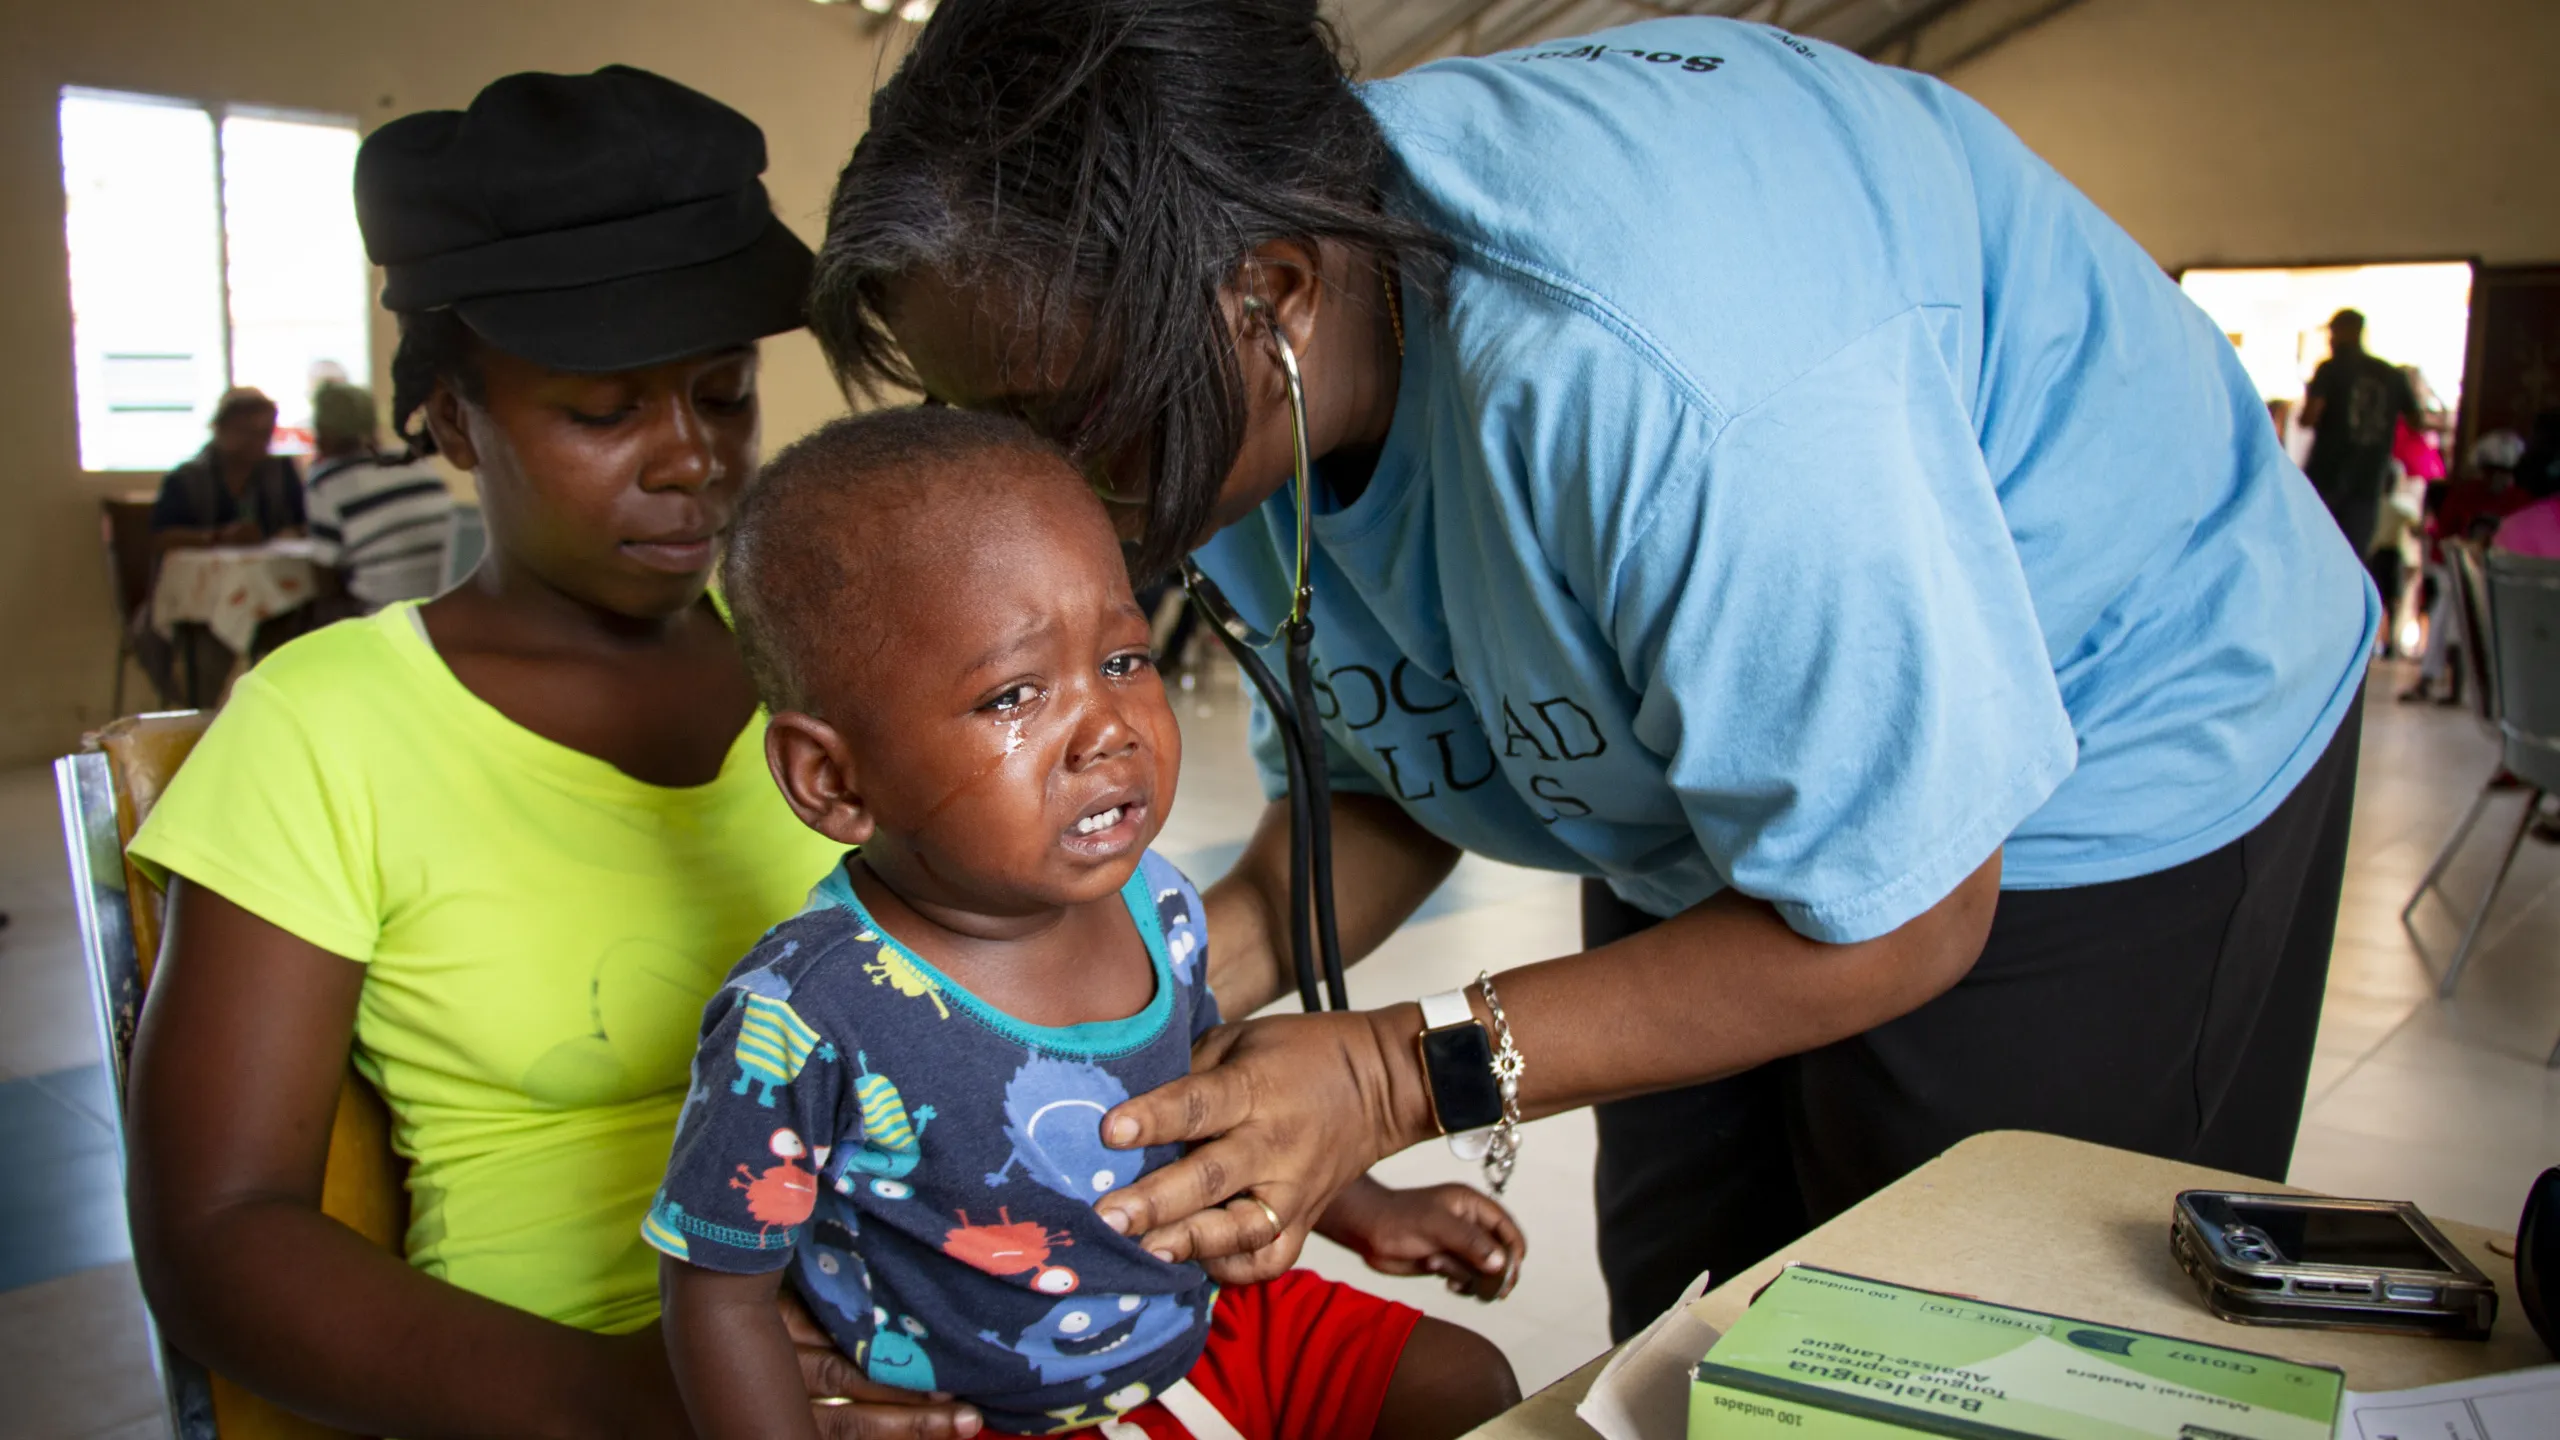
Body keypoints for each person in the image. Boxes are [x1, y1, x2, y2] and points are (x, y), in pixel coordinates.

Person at [811, 1, 2376, 1341]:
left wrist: (1384, 1075)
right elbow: (1392, 769)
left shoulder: (1665, 383)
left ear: (1275, 293)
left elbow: (1900, 913)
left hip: (2113, 723)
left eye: (1061, 419)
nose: (1035, 495)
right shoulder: (1207, 374)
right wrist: (1107, 1005)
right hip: (1710, 748)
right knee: (1701, 1303)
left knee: (1953, 1328)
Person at [122, 67, 982, 1439]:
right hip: (576, 1383)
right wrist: (667, 1404)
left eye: (722, 395)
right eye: (604, 413)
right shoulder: (326, 723)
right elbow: (221, 1232)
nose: (691, 458)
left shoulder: (826, 662)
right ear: (455, 421)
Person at [655, 406, 1520, 1440]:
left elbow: (1213, 1103)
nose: (1107, 729)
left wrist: (1367, 1205)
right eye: (1015, 694)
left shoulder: (1155, 905)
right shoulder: (802, 1016)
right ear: (832, 779)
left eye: (1121, 660)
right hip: (990, 1415)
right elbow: (717, 1297)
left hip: (1207, 1328)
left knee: (1465, 1386)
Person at [136, 387, 308, 706]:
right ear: (222, 428)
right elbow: (161, 536)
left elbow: (303, 524)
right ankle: (196, 719)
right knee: (198, 645)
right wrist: (216, 537)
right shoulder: (187, 479)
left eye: (265, 432)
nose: (258, 441)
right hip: (203, 600)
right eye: (248, 432)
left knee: (311, 627)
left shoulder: (279, 473)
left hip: (275, 596)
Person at [303, 380, 458, 610]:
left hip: (382, 613)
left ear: (323, 431)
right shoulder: (414, 461)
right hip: (443, 604)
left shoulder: (327, 482)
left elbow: (325, 576)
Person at [2302, 310, 2424, 586]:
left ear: (2347, 332)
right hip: (2369, 481)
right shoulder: (2390, 374)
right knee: (2353, 566)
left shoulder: (2330, 369)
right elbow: (2418, 421)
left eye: (2333, 333)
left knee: (2314, 560)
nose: (2330, 340)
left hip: (2326, 478)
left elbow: (2309, 417)